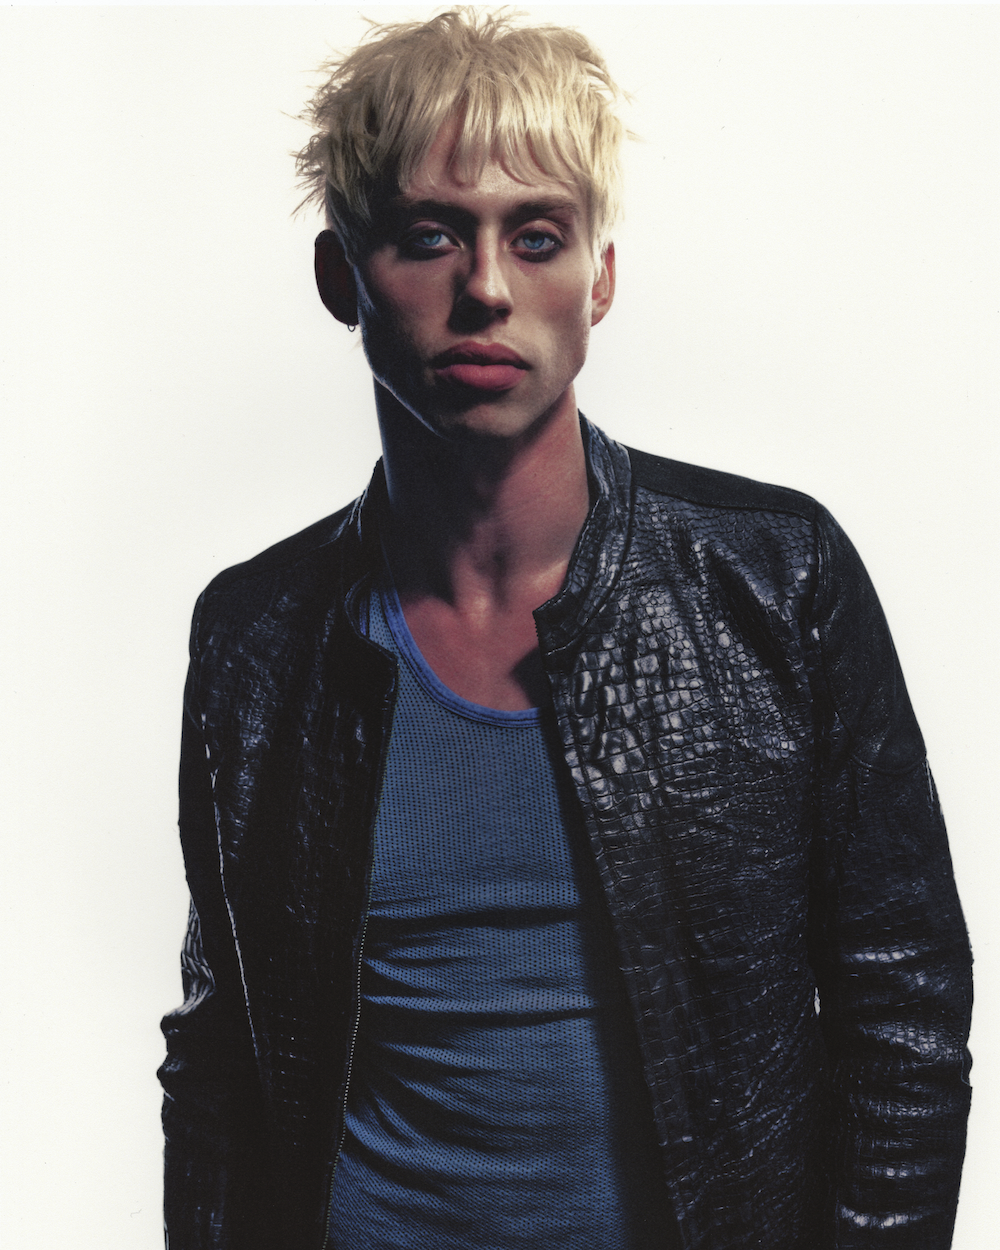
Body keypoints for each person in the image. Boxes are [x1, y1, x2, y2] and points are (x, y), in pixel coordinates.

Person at [159, 10, 972, 1249]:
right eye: (429, 236)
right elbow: (222, 1054)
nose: (486, 288)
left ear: (599, 278)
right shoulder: (258, 637)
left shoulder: (777, 579)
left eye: (536, 236)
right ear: (341, 277)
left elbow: (902, 1017)